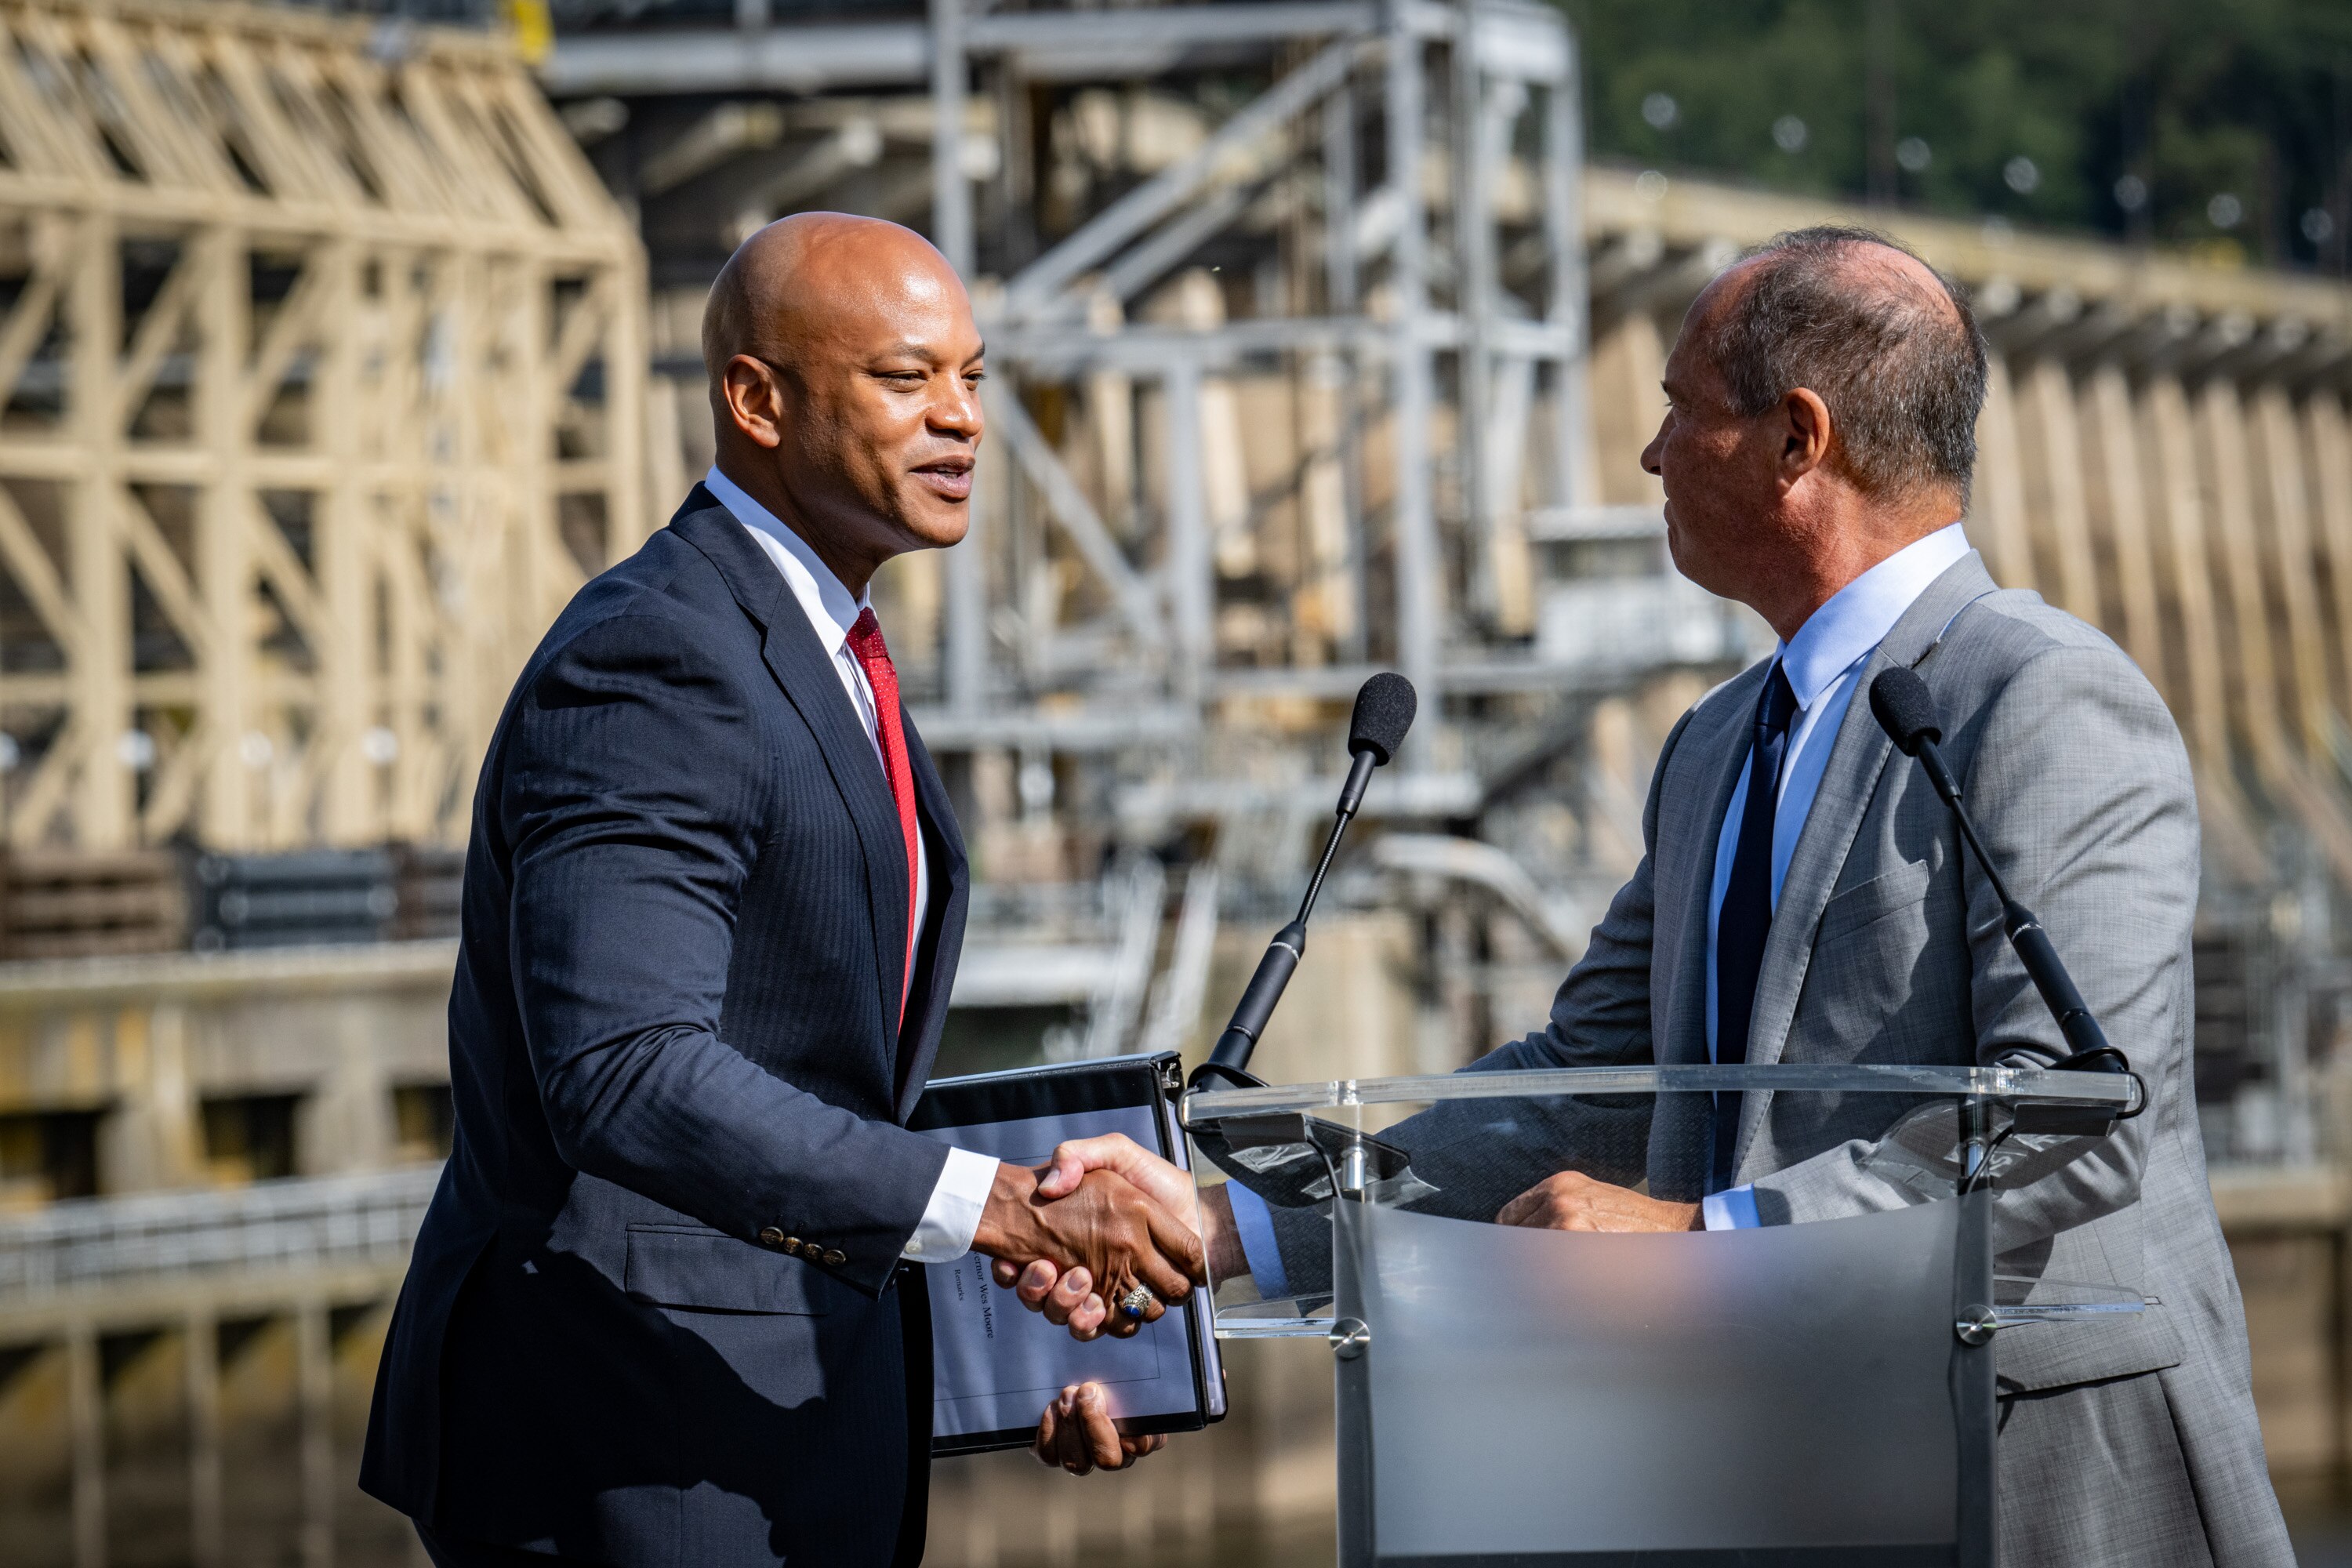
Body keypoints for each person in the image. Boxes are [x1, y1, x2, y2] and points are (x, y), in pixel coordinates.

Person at [1020, 227, 2294, 1564]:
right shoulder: (1716, 747)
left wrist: (1699, 1241)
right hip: (1790, 1468)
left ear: (1798, 441)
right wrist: (1223, 1229)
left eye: (1682, 411)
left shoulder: (2044, 699)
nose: (1650, 455)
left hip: (2047, 1479)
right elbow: (1582, 1086)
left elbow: (2076, 1120)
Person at [360, 213, 1201, 1568]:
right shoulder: (658, 655)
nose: (962, 421)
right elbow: (625, 1068)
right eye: (905, 378)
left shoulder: (824, 645)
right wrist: (999, 1209)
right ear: (757, 401)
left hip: (778, 1431)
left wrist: (1013, 1336)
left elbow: (823, 1086)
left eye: (973, 379)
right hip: (642, 1446)